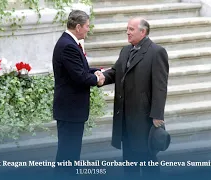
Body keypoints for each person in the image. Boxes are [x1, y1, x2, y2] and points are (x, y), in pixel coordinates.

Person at [97, 17, 169, 178]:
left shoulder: (156, 52)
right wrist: (100, 77)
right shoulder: (125, 50)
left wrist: (157, 114)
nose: (127, 32)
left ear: (142, 31)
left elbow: (160, 86)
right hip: (125, 116)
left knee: (147, 158)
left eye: (131, 29)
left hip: (144, 117)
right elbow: (116, 71)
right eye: (127, 29)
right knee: (129, 160)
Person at [52, 9, 105, 177]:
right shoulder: (68, 46)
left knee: (70, 153)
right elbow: (80, 77)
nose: (89, 29)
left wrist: (100, 71)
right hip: (70, 110)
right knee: (68, 154)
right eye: (87, 26)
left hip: (70, 110)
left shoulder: (69, 43)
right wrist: (98, 79)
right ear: (78, 27)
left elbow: (81, 69)